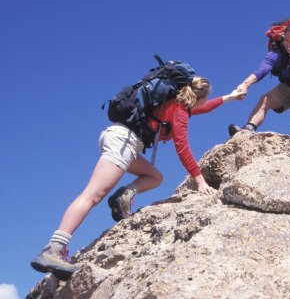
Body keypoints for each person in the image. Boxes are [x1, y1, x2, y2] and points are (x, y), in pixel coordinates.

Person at [31, 76, 243, 280]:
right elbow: (182, 147)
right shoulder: (179, 110)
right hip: (124, 142)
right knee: (93, 195)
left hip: (123, 141)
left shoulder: (176, 105)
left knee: (154, 176)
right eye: (206, 98)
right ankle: (54, 248)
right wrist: (200, 180)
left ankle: (124, 195)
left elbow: (205, 107)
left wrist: (231, 97)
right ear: (199, 97)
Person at [228, 22, 290, 137]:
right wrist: (245, 85)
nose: (289, 45)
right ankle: (247, 130)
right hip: (286, 87)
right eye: (286, 41)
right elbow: (262, 70)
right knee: (265, 99)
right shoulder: (277, 54)